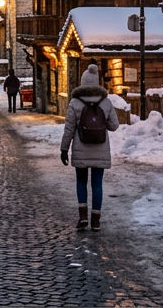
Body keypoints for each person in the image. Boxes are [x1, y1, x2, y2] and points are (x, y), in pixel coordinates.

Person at [59, 63, 119, 231]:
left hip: (81, 148)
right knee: (97, 184)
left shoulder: (75, 102)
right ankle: (96, 220)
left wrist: (64, 149)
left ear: (83, 82)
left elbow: (69, 128)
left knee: (81, 182)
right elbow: (114, 126)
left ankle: (83, 217)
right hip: (100, 148)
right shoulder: (105, 102)